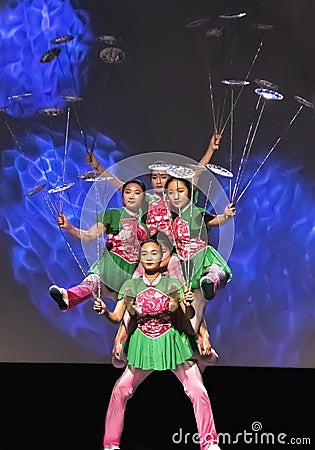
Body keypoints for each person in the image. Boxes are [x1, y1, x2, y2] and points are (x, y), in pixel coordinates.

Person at [93, 239, 221, 450]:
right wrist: (104, 312)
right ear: (140, 259)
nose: (150, 257)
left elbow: (188, 316)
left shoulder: (172, 283)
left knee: (197, 390)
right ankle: (110, 444)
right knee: (120, 390)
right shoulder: (130, 286)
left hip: (172, 343)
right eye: (145, 254)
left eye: (154, 253)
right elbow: (117, 317)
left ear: (162, 256)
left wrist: (188, 304)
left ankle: (210, 443)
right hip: (143, 345)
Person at [111, 231, 219, 371]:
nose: (157, 256)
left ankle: (197, 351)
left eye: (163, 251)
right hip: (147, 334)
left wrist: (204, 335)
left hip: (176, 330)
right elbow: (127, 309)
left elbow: (191, 310)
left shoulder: (174, 268)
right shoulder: (140, 272)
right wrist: (118, 339)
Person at [48, 179, 149, 311]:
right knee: (92, 283)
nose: (131, 196)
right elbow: (89, 235)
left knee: (132, 318)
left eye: (137, 193)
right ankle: (67, 296)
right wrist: (69, 227)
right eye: (127, 192)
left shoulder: (147, 224)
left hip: (132, 273)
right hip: (109, 266)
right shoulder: (113, 214)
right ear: (122, 197)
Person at [164, 175, 235, 301]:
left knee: (216, 270)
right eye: (171, 192)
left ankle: (210, 281)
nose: (176, 196)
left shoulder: (196, 212)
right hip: (181, 259)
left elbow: (214, 220)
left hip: (200, 253)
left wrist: (226, 216)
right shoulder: (168, 216)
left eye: (180, 191)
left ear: (189, 192)